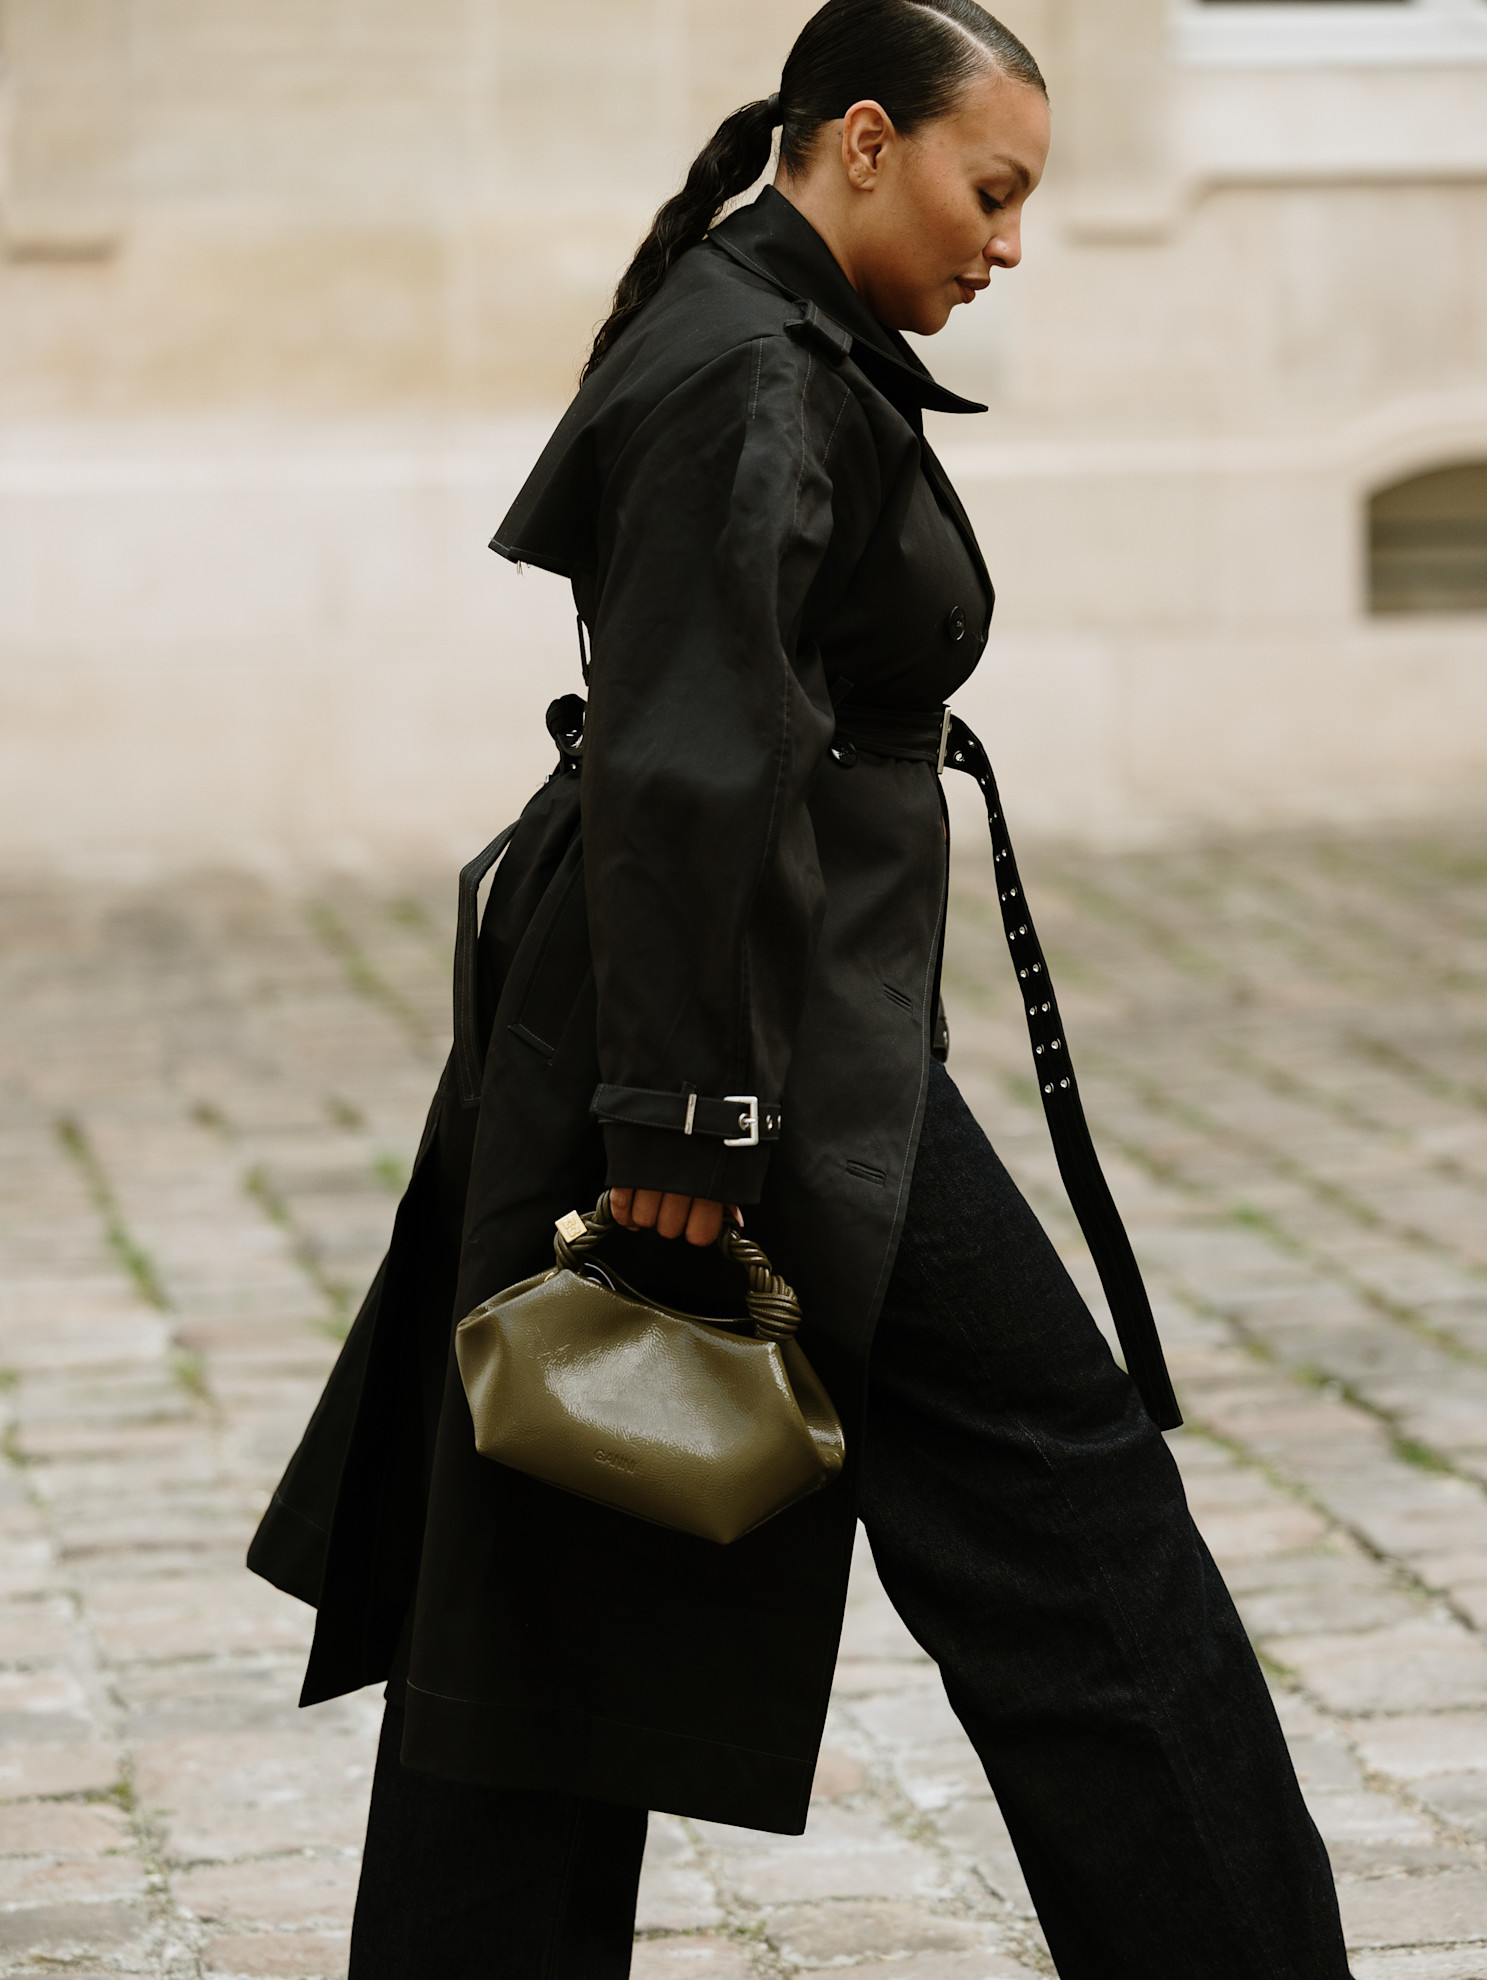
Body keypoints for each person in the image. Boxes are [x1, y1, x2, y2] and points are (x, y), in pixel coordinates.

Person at [248, 3, 1354, 1973]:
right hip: (750, 1054)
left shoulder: (764, 335)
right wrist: (691, 1124)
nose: (1005, 244)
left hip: (709, 1025)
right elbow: (690, 753)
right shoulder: (753, 368)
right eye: (989, 189)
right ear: (864, 140)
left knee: (552, 1581)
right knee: (1078, 1547)